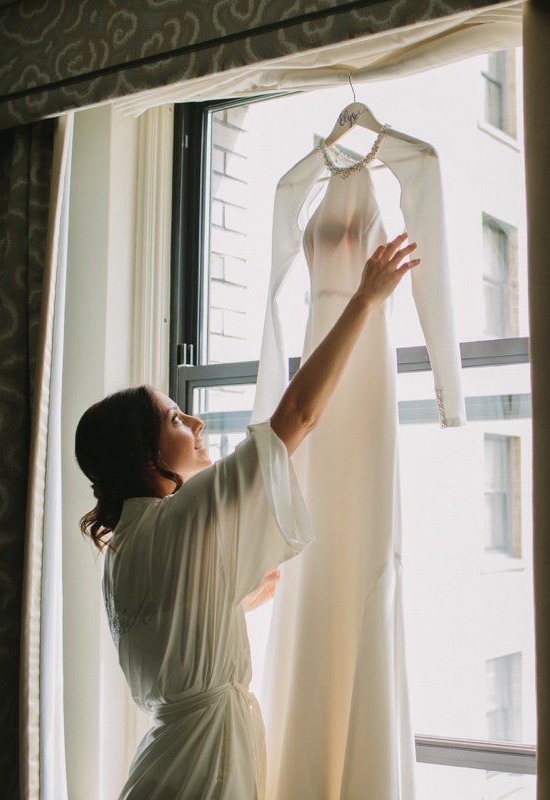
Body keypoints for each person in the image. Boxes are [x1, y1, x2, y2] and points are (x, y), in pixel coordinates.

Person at [74, 234, 419, 799]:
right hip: (199, 770)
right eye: (177, 419)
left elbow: (169, 629)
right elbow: (299, 416)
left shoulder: (121, 550)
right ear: (148, 455)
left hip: (166, 762)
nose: (198, 426)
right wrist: (364, 300)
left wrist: (228, 597)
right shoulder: (187, 514)